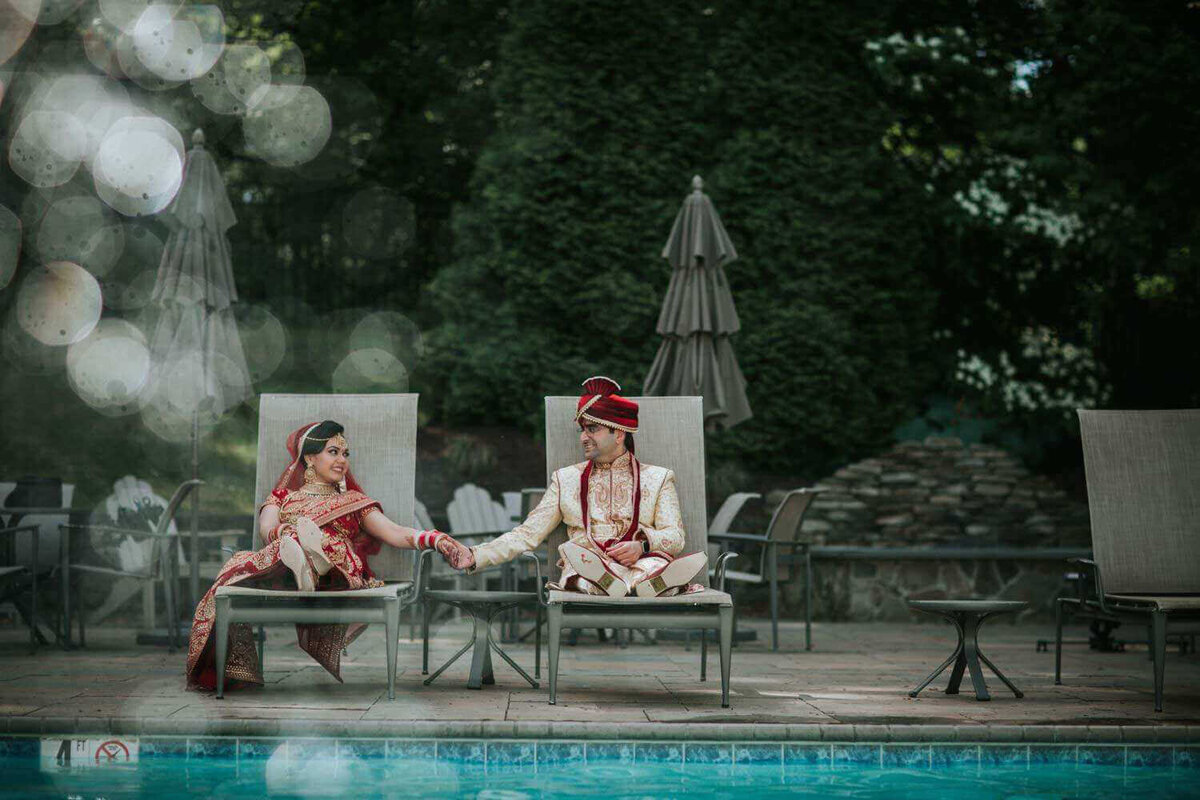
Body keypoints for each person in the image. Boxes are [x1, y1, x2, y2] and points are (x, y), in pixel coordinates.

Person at [186, 420, 462, 691]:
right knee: (267, 550)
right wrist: (288, 533)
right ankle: (304, 560)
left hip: (337, 573)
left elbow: (394, 532)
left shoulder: (353, 502)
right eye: (333, 452)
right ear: (309, 458)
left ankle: (313, 560)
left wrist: (436, 539)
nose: (342, 459)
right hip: (279, 570)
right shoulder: (282, 497)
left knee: (323, 542)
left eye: (345, 453)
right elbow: (266, 530)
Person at [443, 377, 707, 597]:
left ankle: (644, 584)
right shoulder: (566, 480)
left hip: (642, 561)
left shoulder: (658, 478)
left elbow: (675, 536)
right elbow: (527, 534)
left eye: (592, 429)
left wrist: (642, 546)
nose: (583, 438)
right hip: (591, 564)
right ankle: (640, 586)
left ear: (619, 433)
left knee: (653, 566)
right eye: (582, 430)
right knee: (581, 567)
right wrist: (476, 555)